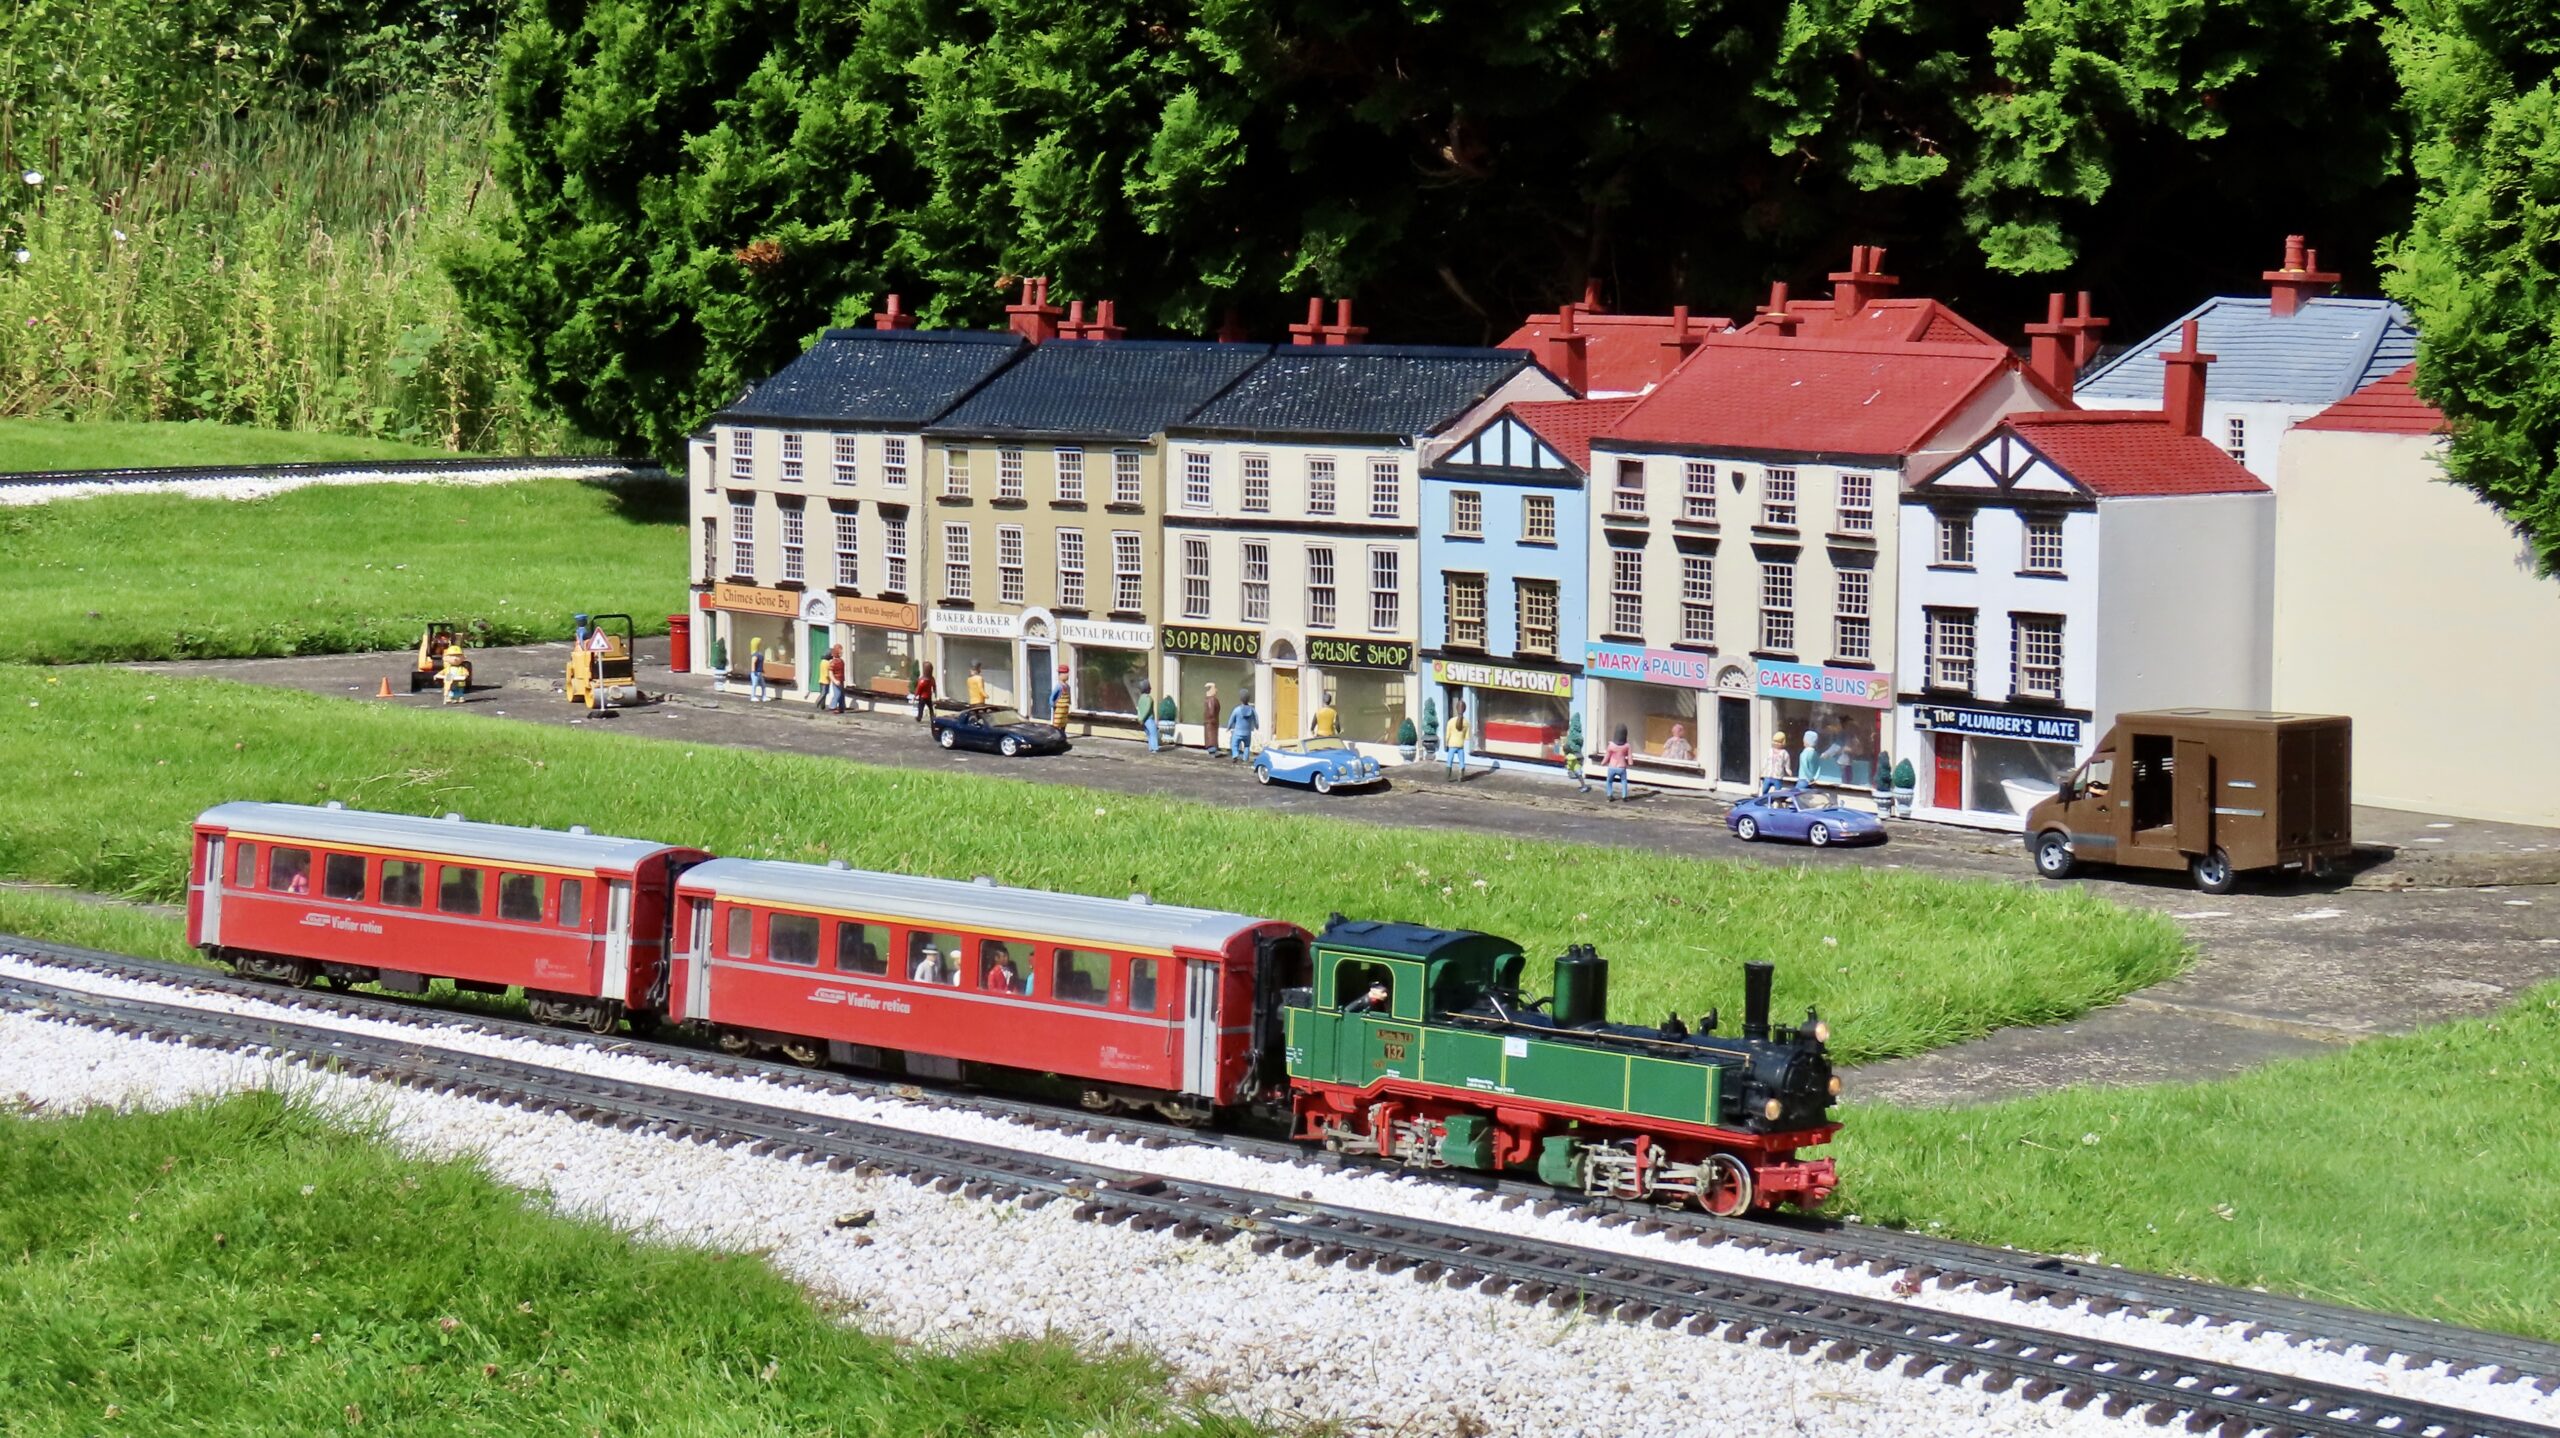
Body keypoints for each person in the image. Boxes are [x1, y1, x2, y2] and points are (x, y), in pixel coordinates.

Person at [1604, 724, 1633, 802]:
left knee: (1609, 781)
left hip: (1612, 767)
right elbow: (1629, 756)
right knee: (1624, 781)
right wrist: (1630, 762)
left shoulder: (1611, 745)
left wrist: (1603, 762)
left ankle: (1609, 795)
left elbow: (1607, 755)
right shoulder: (1627, 746)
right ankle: (1624, 796)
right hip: (1622, 767)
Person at [1443, 698, 1470, 780]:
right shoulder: (1466, 722)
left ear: (1456, 708)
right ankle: (1461, 776)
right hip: (1460, 745)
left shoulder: (1451, 721)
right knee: (1461, 761)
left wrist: (1446, 743)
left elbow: (1447, 735)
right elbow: (1467, 737)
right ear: (1465, 709)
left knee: (1449, 761)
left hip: (1452, 744)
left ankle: (1448, 776)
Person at [1226, 697, 1257, 761]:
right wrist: (1257, 726)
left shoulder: (1237, 710)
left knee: (1234, 744)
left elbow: (1231, 720)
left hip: (1237, 732)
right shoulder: (1252, 710)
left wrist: (1229, 727)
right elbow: (1256, 719)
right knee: (1247, 746)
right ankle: (1245, 759)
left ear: (1241, 700)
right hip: (1247, 733)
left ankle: (1235, 755)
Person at [823, 645, 847, 714]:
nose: (842, 652)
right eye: (840, 651)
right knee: (837, 694)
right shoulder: (833, 662)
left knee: (842, 694)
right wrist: (834, 680)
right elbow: (830, 673)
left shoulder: (841, 661)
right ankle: (832, 706)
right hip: (836, 680)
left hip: (841, 679)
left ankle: (841, 707)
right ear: (837, 652)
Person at [1138, 676, 1158, 752]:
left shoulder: (1140, 699)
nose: (1151, 688)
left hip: (1142, 720)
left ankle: (1150, 747)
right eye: (1149, 687)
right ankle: (1154, 748)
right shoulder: (1148, 698)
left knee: (1149, 734)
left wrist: (1139, 718)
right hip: (1149, 719)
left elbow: (1139, 709)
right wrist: (1143, 718)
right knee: (1153, 733)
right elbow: (1147, 709)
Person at [1200, 682, 1221, 753]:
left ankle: (1213, 748)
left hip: (1211, 722)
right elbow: (1211, 712)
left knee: (1212, 736)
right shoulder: (1211, 700)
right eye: (1214, 688)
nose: (1216, 690)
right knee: (1211, 737)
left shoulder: (1209, 699)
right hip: (1212, 723)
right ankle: (1212, 749)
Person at [1156, 688, 1179, 753]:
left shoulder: (1163, 704)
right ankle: (1167, 739)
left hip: (1163, 722)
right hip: (1170, 723)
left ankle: (1162, 740)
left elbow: (1161, 711)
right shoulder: (1171, 704)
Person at [747, 637, 768, 703]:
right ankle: (753, 697)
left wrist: (762, 669)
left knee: (763, 685)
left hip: (759, 672)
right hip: (755, 673)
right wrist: (753, 671)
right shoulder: (755, 654)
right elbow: (753, 662)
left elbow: (759, 663)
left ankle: (764, 696)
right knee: (754, 685)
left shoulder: (759, 654)